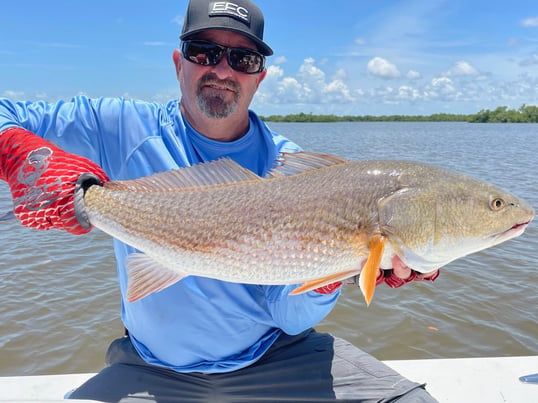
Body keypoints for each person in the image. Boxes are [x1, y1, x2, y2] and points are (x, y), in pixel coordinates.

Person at [0, 0, 440, 401]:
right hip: (151, 367)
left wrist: (330, 271)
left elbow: (287, 317)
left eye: (244, 59)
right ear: (178, 63)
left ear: (260, 76)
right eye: (204, 51)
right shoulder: (118, 126)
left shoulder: (295, 170)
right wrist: (25, 156)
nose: (223, 70)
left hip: (274, 358)